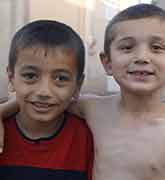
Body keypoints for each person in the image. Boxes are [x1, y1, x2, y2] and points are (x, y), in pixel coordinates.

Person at [0, 3, 165, 180]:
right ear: (107, 63)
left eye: (156, 47)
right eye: (127, 47)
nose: (141, 57)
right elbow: (49, 99)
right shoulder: (95, 109)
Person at [0, 20, 94, 180]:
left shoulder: (88, 139)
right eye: (30, 76)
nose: (44, 91)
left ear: (78, 85)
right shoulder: (2, 133)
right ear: (11, 78)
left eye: (60, 78)